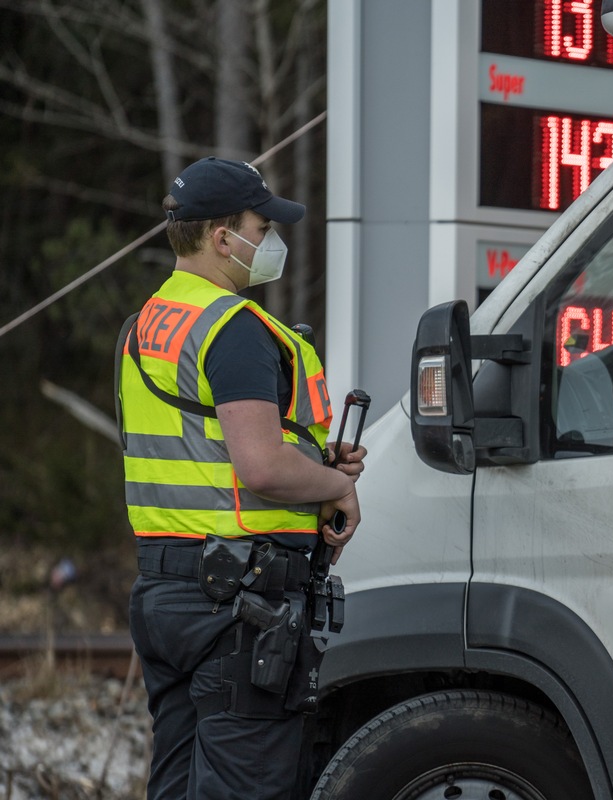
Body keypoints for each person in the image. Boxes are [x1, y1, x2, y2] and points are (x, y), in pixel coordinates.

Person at [116, 157, 366, 800]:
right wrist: (334, 486)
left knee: (174, 783)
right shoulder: (232, 328)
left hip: (163, 592)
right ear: (223, 237)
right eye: (263, 224)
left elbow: (201, 447)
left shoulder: (144, 325)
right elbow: (260, 467)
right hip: (234, 602)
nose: (273, 239)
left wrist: (312, 459)